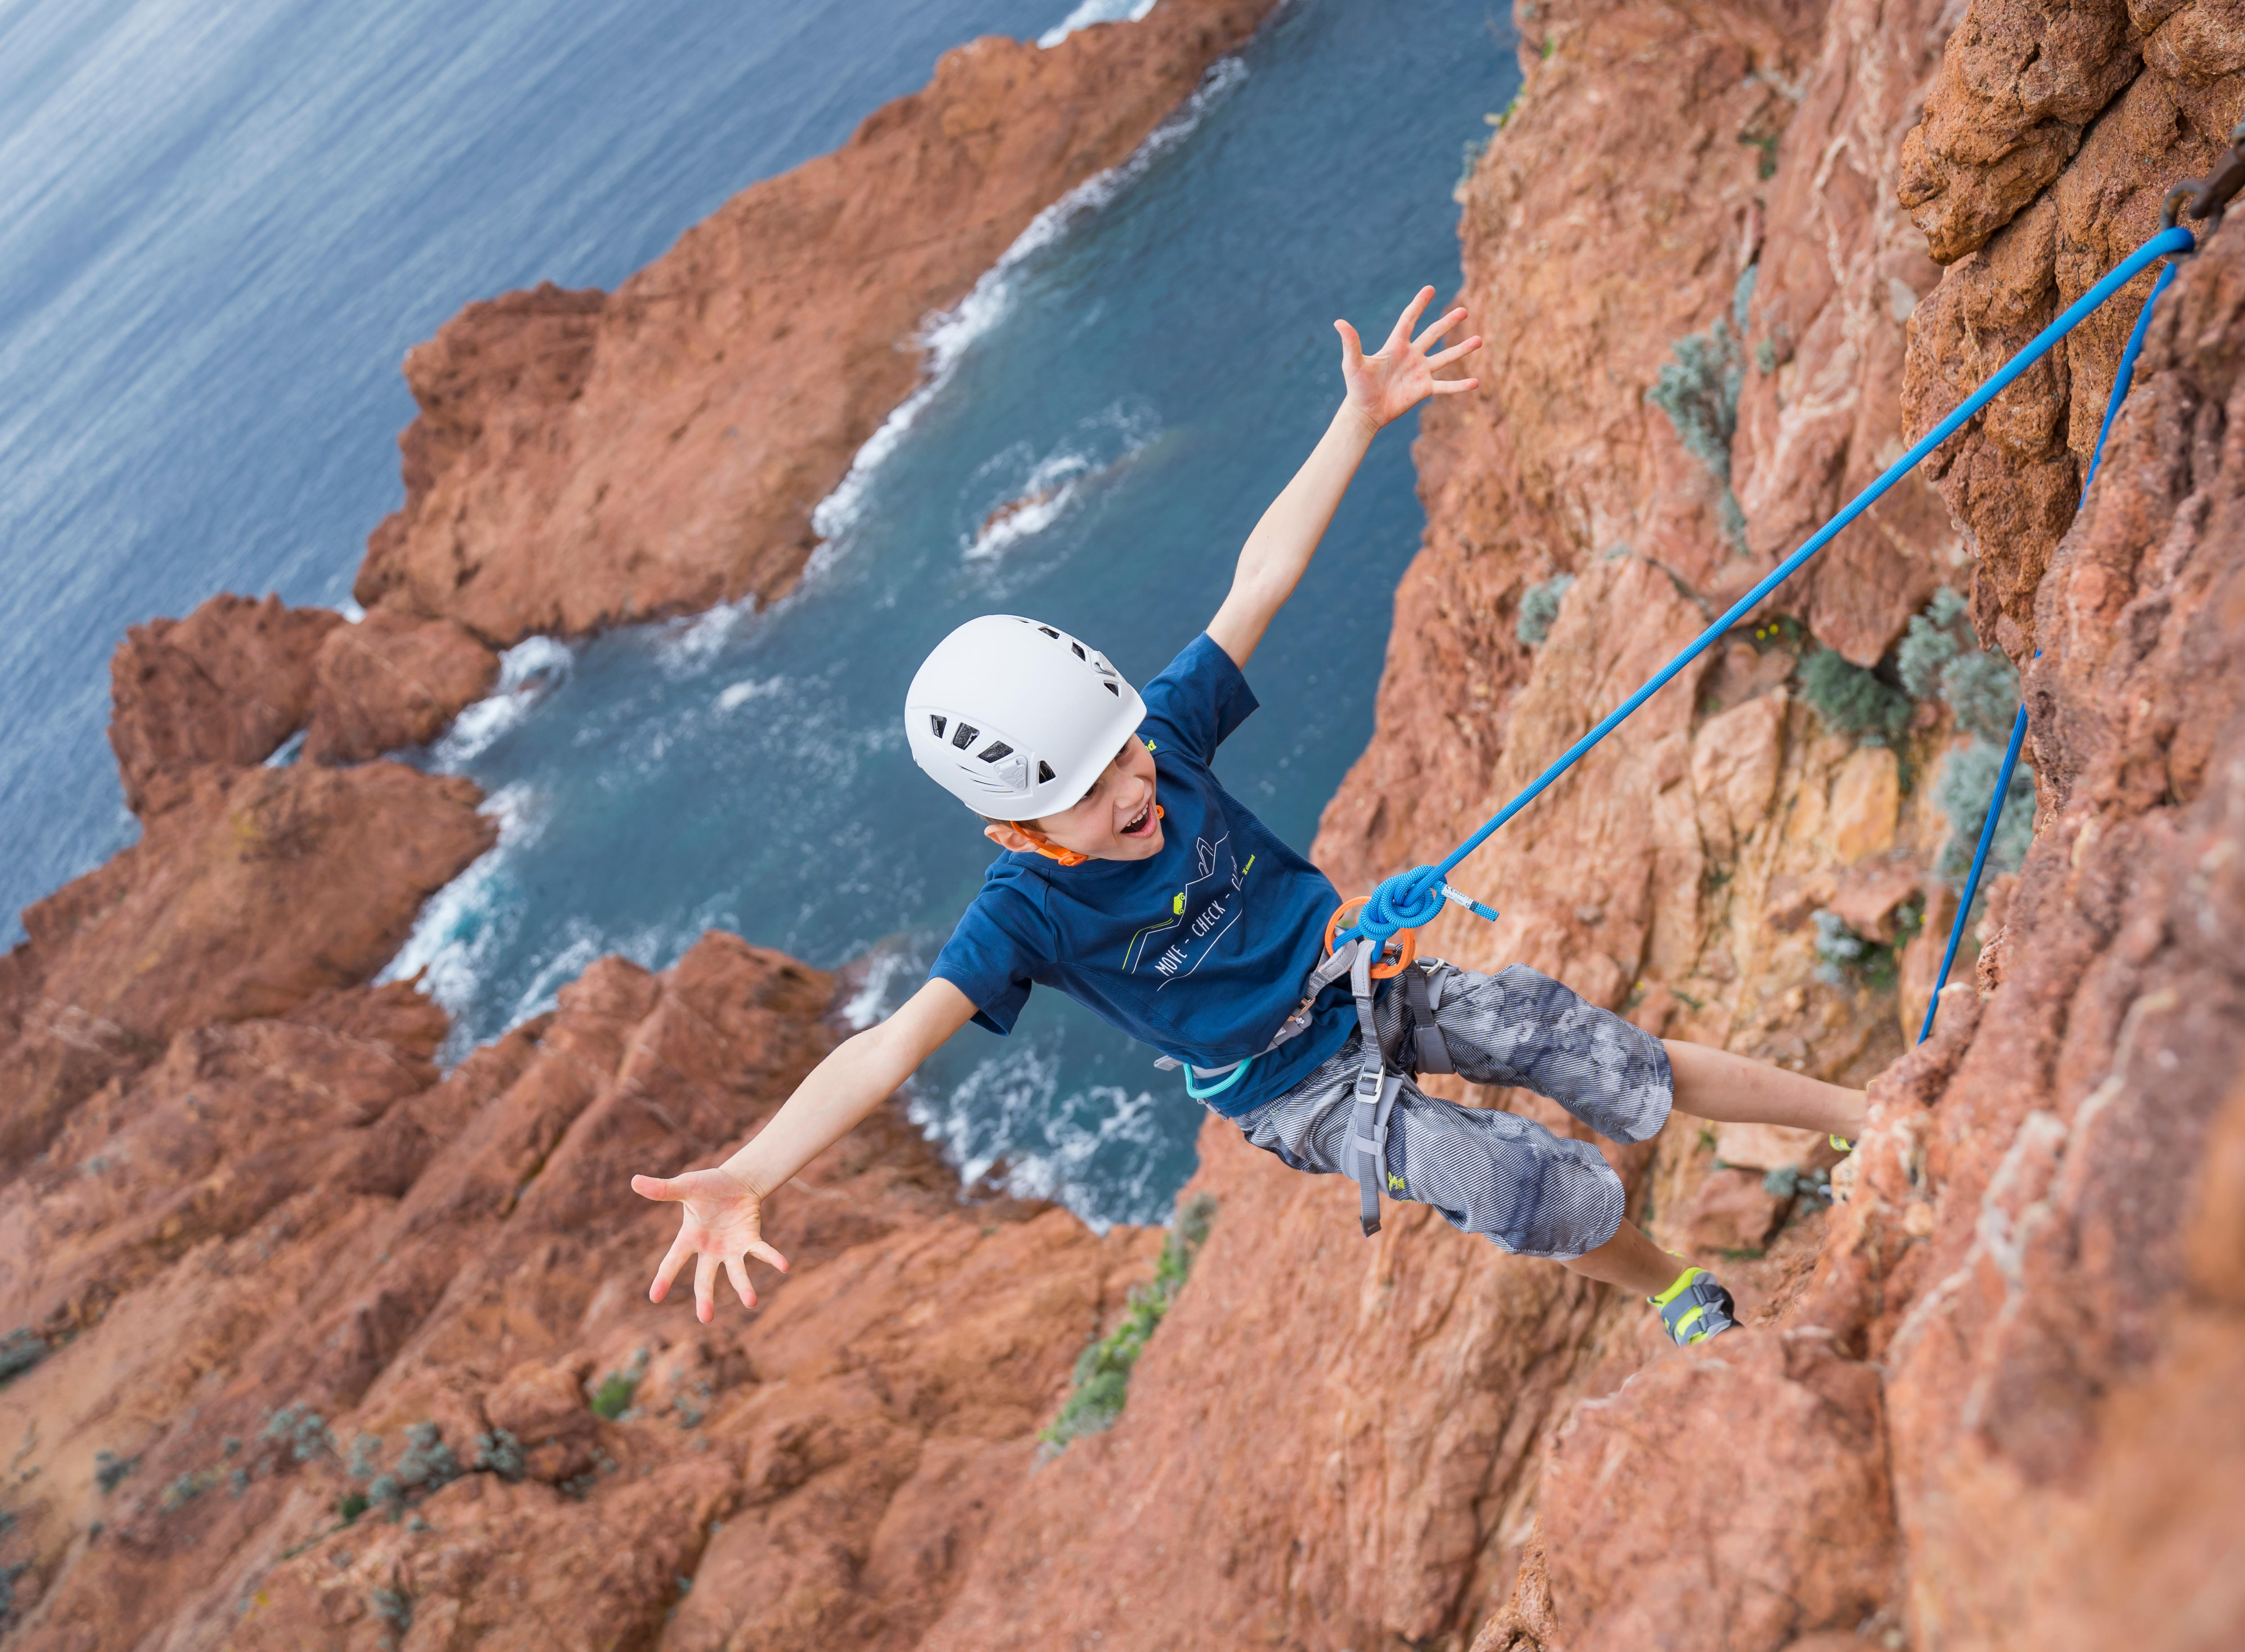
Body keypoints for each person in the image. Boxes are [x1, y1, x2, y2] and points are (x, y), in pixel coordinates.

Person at [632, 288, 1866, 1346]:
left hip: (1358, 978)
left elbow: (1258, 579)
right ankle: (1674, 1292)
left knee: (1579, 1046)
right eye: (1088, 792)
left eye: (1125, 756)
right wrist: (749, 1172)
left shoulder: (1159, 738)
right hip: (1292, 1091)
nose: (1133, 792)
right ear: (1016, 834)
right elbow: (883, 1050)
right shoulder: (1024, 917)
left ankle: (1866, 1119)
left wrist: (1358, 419)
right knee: (1500, 1177)